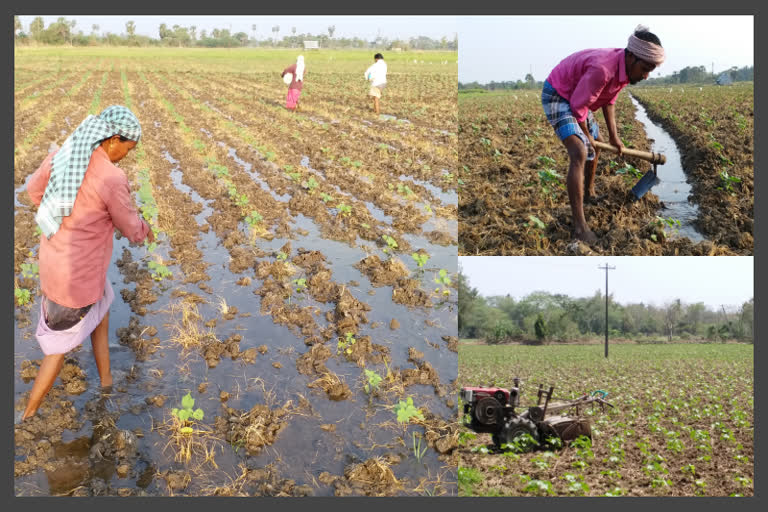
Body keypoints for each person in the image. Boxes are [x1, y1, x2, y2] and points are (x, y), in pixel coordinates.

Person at [20, 105, 153, 421]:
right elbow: (130, 227)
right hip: (75, 279)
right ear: (113, 140)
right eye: (126, 150)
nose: (125, 157)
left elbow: (33, 190)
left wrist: (64, 215)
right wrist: (145, 229)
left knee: (101, 309)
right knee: (57, 348)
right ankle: (27, 416)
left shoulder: (65, 155)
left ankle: (106, 382)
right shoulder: (110, 177)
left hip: (57, 263)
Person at [541, 25, 664, 243]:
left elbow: (609, 101)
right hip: (559, 94)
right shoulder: (603, 69)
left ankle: (589, 194)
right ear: (633, 57)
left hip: (578, 94)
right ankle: (580, 227)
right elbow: (579, 106)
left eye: (651, 71)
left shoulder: (624, 69)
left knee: (596, 143)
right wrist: (585, 136)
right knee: (580, 150)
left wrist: (614, 137)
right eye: (646, 69)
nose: (646, 76)